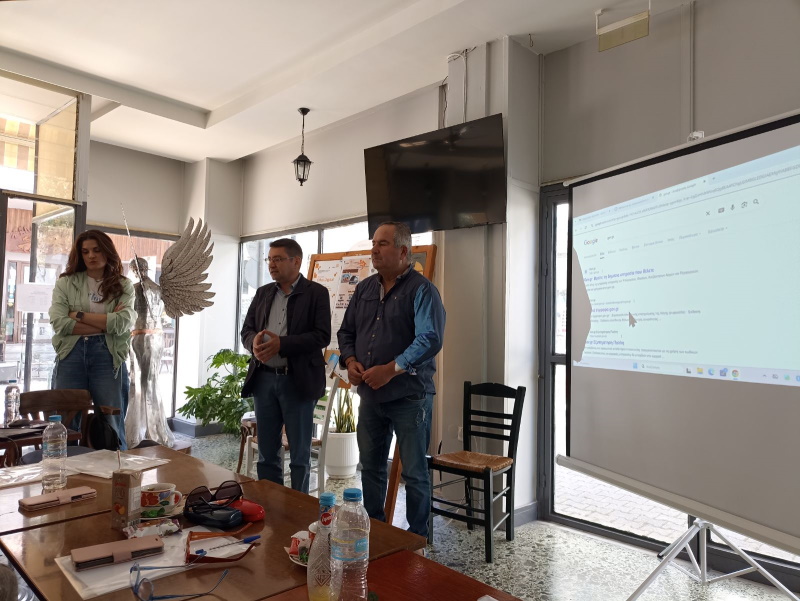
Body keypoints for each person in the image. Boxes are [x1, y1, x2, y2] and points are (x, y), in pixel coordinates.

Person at [337, 221, 445, 537]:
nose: (374, 249)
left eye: (382, 244)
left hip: (409, 397)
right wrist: (350, 361)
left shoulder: (422, 290)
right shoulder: (364, 289)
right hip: (370, 397)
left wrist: (390, 369)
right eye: (373, 243)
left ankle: (416, 539)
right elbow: (346, 332)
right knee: (371, 468)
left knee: (414, 473)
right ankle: (375, 532)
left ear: (402, 251)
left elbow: (429, 338)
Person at [240, 238, 331, 493]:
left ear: (296, 261)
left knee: (300, 456)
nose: (271, 264)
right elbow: (246, 330)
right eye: (269, 259)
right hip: (264, 379)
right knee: (267, 454)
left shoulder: (316, 293)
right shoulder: (263, 293)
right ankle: (270, 505)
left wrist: (283, 344)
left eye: (278, 259)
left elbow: (322, 336)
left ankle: (298, 507)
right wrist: (253, 341)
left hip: (297, 381)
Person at [49, 230, 136, 450]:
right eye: (85, 251)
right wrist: (106, 324)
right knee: (64, 423)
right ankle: (63, 469)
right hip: (71, 353)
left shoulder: (123, 285)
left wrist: (78, 315)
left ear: (107, 251)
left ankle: (114, 469)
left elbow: (123, 322)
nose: (91, 256)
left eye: (97, 250)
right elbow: (59, 322)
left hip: (108, 355)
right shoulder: (66, 283)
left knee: (111, 421)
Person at [126, 257, 174, 448]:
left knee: (138, 382)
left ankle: (140, 431)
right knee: (151, 381)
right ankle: (152, 428)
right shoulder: (158, 288)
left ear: (134, 270)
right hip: (156, 338)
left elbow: (129, 316)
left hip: (139, 337)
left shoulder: (133, 289)